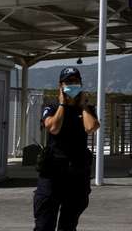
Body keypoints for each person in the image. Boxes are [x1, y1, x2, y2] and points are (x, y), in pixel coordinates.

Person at [34, 66, 99, 231]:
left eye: (76, 82)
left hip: (76, 174)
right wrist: (63, 104)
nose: (72, 85)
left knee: (68, 224)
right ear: (61, 85)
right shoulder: (52, 108)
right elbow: (53, 127)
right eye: (68, 82)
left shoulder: (87, 110)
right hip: (52, 174)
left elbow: (91, 127)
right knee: (44, 224)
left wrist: (84, 106)